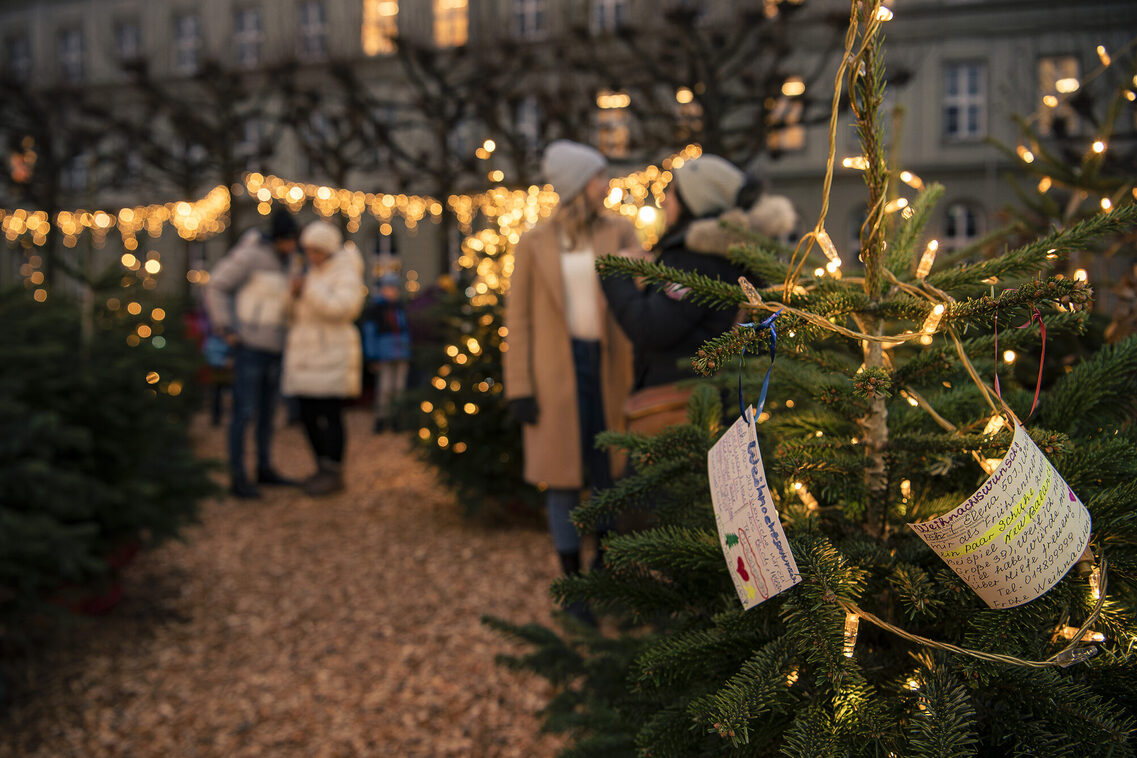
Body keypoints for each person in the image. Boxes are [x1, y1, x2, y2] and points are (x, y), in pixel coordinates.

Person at [503, 140, 638, 611]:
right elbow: (517, 320)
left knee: (608, 474)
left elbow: (644, 280)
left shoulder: (621, 232)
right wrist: (519, 386)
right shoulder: (535, 240)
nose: (607, 185)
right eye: (600, 176)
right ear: (580, 183)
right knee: (562, 481)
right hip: (555, 376)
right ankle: (572, 586)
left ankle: (604, 572)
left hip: (607, 369)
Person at [600, 156, 797, 420]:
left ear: (694, 202)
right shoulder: (735, 251)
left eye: (673, 192)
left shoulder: (694, 259)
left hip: (681, 408)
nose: (665, 199)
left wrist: (616, 273)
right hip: (720, 402)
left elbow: (651, 327)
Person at [205, 207, 299, 498]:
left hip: (276, 348)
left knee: (268, 414)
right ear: (279, 238)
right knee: (243, 413)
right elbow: (216, 286)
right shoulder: (249, 257)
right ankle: (237, 476)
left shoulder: (290, 263)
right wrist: (226, 327)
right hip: (249, 347)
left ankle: (264, 467)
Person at [282, 220, 367, 496]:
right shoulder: (311, 273)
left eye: (316, 250)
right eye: (308, 250)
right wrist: (292, 296)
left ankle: (334, 469)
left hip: (331, 353)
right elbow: (290, 315)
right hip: (306, 355)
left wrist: (307, 289)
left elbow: (342, 309)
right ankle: (320, 465)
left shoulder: (346, 271)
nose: (312, 256)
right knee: (306, 415)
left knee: (330, 414)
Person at [361, 272, 412, 433]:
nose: (391, 292)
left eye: (393, 288)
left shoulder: (400, 308)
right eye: (387, 288)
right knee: (385, 387)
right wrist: (372, 356)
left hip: (401, 352)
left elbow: (406, 330)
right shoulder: (376, 310)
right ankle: (382, 418)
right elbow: (370, 334)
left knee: (399, 387)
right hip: (384, 353)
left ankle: (397, 417)